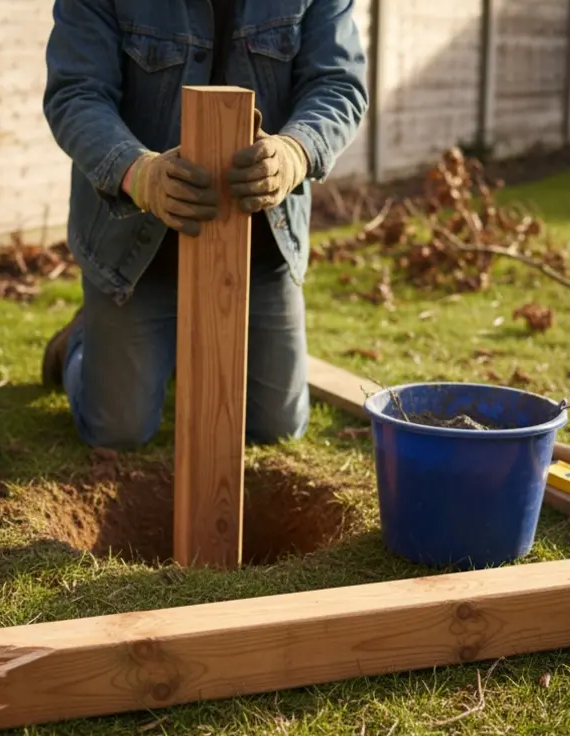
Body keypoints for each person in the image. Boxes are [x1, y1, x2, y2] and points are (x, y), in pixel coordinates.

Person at [40, 0, 368, 450]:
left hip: (259, 242)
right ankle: (79, 344)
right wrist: (140, 175)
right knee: (118, 431)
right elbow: (75, 94)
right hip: (135, 249)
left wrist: (295, 153)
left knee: (277, 428)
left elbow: (339, 84)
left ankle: (164, 350)